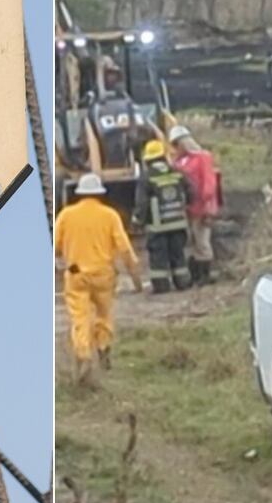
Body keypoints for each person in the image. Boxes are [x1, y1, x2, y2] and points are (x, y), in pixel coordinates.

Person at [55, 173, 142, 385]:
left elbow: (55, 246)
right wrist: (135, 276)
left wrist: (61, 261)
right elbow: (124, 248)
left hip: (76, 274)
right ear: (99, 194)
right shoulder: (110, 215)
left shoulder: (66, 215)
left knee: (80, 317)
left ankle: (83, 355)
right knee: (104, 315)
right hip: (104, 274)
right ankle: (103, 352)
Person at [133, 140, 193, 293]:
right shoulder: (177, 172)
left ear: (147, 160)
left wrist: (138, 220)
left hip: (158, 226)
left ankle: (162, 287)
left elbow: (142, 203)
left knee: (158, 258)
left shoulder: (147, 178)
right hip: (178, 222)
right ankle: (183, 283)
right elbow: (191, 193)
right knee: (178, 255)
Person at [169, 125, 220, 286]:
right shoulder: (179, 161)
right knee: (193, 241)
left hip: (202, 206)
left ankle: (206, 273)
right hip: (188, 208)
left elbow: (209, 182)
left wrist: (207, 204)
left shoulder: (202, 157)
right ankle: (197, 273)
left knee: (202, 240)